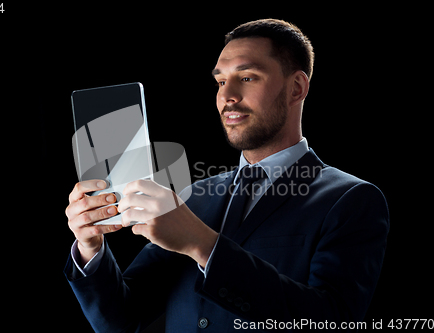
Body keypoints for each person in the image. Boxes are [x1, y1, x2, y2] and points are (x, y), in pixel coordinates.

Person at [64, 19, 389, 332]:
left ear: (297, 87)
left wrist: (203, 245)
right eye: (220, 81)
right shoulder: (192, 197)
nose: (227, 96)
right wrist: (90, 247)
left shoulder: (351, 200)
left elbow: (330, 320)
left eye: (247, 77)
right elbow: (121, 320)